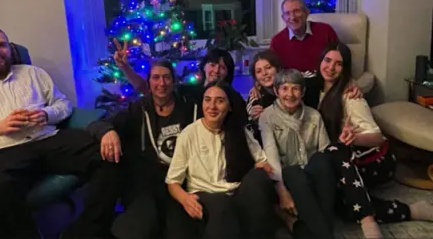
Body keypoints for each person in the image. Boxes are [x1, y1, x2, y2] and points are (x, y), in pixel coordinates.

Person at [0, 27, 120, 239]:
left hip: (48, 138)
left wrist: (46, 114)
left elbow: (63, 104)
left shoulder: (33, 73)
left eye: (2, 45)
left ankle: (87, 230)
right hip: (0, 153)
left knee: (109, 155)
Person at [308, 42, 433, 239]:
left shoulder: (351, 97)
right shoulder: (314, 87)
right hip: (346, 162)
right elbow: (288, 79)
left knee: (334, 150)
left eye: (338, 64)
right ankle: (413, 210)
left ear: (345, 68)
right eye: (327, 60)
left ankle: (368, 222)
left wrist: (354, 138)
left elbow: (378, 138)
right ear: (320, 62)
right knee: (343, 205)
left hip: (376, 160)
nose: (331, 67)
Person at [83, 60, 199, 239]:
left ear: (173, 81)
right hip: (146, 183)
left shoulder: (188, 106)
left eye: (167, 77)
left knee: (180, 231)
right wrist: (107, 132)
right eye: (156, 78)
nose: (162, 83)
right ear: (149, 83)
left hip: (179, 181)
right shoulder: (138, 109)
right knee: (140, 227)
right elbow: (97, 124)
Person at [166, 81, 276, 239]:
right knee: (222, 205)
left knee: (258, 178)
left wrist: (258, 168)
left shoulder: (239, 131)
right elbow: (172, 181)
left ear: (229, 106)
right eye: (207, 99)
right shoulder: (189, 134)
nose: (212, 106)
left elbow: (263, 162)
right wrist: (185, 199)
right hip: (205, 194)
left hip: (236, 193)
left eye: (220, 100)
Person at [259, 69, 336, 239]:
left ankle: (319, 229)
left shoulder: (314, 115)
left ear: (303, 91)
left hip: (313, 172)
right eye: (285, 88)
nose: (290, 94)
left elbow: (324, 150)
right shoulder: (267, 117)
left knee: (323, 160)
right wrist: (282, 191)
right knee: (294, 172)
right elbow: (271, 156)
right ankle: (325, 235)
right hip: (288, 176)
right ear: (277, 91)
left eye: (295, 88)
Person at [113, 40, 247, 120]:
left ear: (228, 72)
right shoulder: (187, 91)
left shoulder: (234, 98)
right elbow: (148, 88)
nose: (216, 71)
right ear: (204, 66)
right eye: (212, 65)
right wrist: (125, 67)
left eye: (222, 67)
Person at [270, 0, 338, 73]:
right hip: (293, 84)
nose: (292, 17)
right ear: (283, 18)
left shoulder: (326, 31)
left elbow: (340, 59)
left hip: (323, 83)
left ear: (306, 13)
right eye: (287, 13)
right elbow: (273, 71)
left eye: (297, 11)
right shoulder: (277, 41)